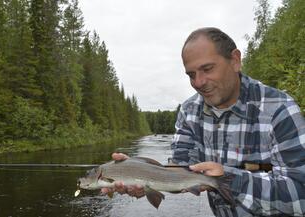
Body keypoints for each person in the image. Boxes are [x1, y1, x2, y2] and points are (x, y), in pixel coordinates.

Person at [102, 27, 305, 216]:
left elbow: (300, 194)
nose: (198, 83)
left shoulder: (279, 109)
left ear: (235, 60)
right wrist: (140, 173)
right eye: (191, 74)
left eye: (207, 69)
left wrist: (228, 179)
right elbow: (179, 175)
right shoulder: (189, 111)